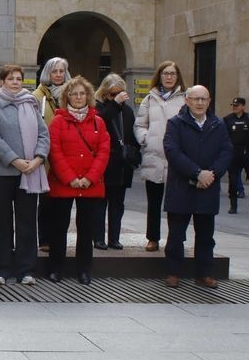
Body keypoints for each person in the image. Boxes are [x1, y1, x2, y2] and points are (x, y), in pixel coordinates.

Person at [0, 64, 50, 286]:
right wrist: (15, 160)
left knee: (27, 222)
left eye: (18, 79)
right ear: (2, 82)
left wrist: (38, 158)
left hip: (30, 172)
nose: (15, 82)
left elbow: (43, 134)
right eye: (10, 78)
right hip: (0, 173)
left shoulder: (30, 104)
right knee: (1, 222)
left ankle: (26, 269)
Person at [162, 85, 232, 289]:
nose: (200, 103)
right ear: (187, 100)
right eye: (195, 99)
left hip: (207, 187)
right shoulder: (175, 123)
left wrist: (212, 173)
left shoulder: (218, 124)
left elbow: (227, 151)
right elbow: (172, 151)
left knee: (206, 235)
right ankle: (173, 272)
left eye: (204, 99)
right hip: (181, 187)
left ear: (209, 101)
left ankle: (204, 273)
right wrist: (196, 172)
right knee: (176, 234)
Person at [45, 76, 110, 284]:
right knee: (58, 228)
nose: (79, 97)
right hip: (64, 183)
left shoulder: (98, 121)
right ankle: (56, 268)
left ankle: (84, 270)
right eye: (74, 94)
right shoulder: (57, 121)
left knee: (86, 229)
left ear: (89, 96)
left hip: (90, 184)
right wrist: (70, 178)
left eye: (82, 93)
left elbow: (104, 151)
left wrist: (90, 177)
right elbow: (54, 151)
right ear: (67, 97)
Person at [134, 60, 186, 251]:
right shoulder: (149, 99)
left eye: (173, 73)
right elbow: (140, 125)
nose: (169, 77)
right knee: (154, 202)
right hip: (154, 156)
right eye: (166, 73)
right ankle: (153, 238)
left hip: (177, 158)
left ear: (178, 76)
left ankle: (176, 238)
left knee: (177, 203)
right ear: (160, 76)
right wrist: (145, 138)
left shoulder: (185, 99)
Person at [93, 74, 137, 250]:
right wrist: (114, 104)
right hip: (105, 163)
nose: (117, 97)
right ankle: (98, 238)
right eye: (112, 94)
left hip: (122, 164)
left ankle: (114, 238)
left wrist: (134, 154)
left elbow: (132, 135)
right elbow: (100, 122)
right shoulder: (99, 108)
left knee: (118, 204)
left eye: (120, 93)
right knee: (100, 203)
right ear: (104, 93)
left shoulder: (127, 111)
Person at [34, 57, 71, 252]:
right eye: (54, 71)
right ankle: (45, 239)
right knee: (46, 200)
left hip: (67, 154)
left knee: (63, 201)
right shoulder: (37, 95)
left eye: (61, 71)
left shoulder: (73, 94)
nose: (58, 75)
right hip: (46, 153)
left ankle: (60, 239)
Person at [224, 96, 249, 213]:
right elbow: (223, 134)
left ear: (243, 106)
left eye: (237, 105)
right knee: (233, 180)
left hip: (247, 152)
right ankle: (233, 205)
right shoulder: (227, 119)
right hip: (234, 152)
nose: (235, 107)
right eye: (233, 106)